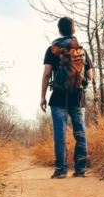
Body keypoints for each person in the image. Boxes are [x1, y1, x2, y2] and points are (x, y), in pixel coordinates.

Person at [40, 17, 93, 179]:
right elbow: (90, 77)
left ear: (59, 30)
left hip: (58, 96)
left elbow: (47, 74)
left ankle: (61, 170)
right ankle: (80, 169)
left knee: (60, 134)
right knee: (80, 132)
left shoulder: (53, 49)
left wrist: (42, 97)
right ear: (73, 29)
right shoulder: (81, 50)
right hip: (77, 96)